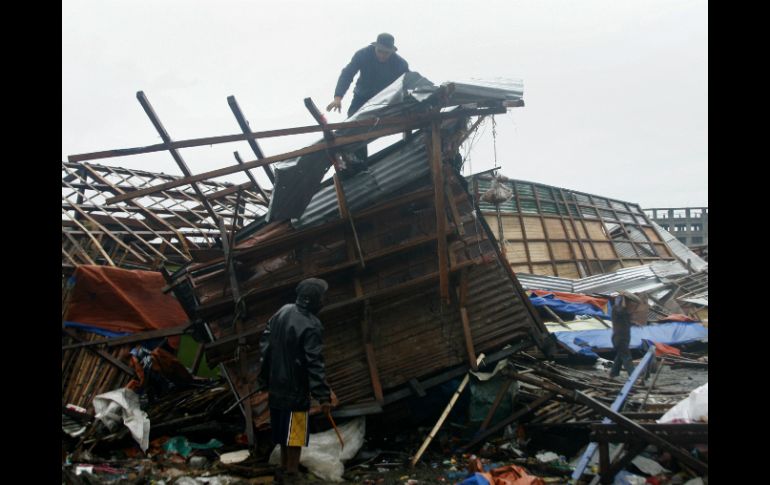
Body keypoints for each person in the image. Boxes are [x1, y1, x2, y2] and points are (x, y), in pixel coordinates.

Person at [258, 278, 332, 483]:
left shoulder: (282, 311)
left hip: (276, 387)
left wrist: (264, 379)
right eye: (322, 297)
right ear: (313, 300)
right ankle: (292, 474)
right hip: (296, 391)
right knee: (296, 435)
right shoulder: (312, 325)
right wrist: (323, 396)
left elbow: (265, 347)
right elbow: (314, 363)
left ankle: (281, 472)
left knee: (282, 433)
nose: (324, 301)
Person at [326, 32, 410, 118]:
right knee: (352, 121)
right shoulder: (363, 55)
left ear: (392, 52)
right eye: (379, 51)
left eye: (386, 53)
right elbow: (347, 74)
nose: (382, 55)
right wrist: (338, 97)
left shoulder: (400, 64)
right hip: (362, 97)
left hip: (385, 100)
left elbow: (408, 83)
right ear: (375, 47)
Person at [609, 291, 641, 379]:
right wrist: (622, 298)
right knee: (627, 358)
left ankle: (613, 374)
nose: (631, 305)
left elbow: (626, 322)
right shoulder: (617, 309)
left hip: (624, 338)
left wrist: (634, 323)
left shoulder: (624, 313)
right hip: (619, 338)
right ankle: (634, 377)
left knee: (620, 357)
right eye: (629, 302)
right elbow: (620, 310)